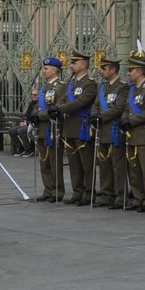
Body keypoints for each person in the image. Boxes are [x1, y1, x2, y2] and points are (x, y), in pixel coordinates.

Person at [121, 51, 145, 212]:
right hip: (131, 134)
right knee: (134, 169)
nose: (128, 73)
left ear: (139, 71)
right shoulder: (132, 89)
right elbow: (127, 108)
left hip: (144, 134)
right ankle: (138, 198)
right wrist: (124, 119)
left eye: (131, 70)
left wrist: (131, 121)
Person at [59, 52, 96, 206]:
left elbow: (81, 102)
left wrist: (60, 108)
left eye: (75, 62)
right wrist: (59, 106)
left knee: (86, 164)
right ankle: (77, 192)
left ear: (84, 65)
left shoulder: (90, 83)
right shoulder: (71, 83)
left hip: (82, 127)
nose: (71, 65)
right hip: (70, 127)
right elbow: (63, 98)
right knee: (74, 164)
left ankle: (89, 193)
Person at [93, 53, 128, 208]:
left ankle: (121, 197)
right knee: (104, 165)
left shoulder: (122, 87)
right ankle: (107, 195)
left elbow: (118, 107)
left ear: (113, 70)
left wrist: (101, 117)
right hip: (102, 130)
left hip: (114, 130)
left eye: (104, 68)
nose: (101, 71)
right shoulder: (102, 87)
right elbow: (96, 105)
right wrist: (95, 116)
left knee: (117, 166)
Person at [31, 56, 66, 202]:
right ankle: (47, 189)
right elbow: (39, 106)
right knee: (43, 161)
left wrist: (39, 115)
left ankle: (57, 191)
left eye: (46, 69)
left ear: (55, 70)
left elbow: (56, 108)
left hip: (53, 128)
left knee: (54, 161)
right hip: (41, 128)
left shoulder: (61, 87)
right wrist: (33, 115)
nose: (44, 71)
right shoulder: (44, 87)